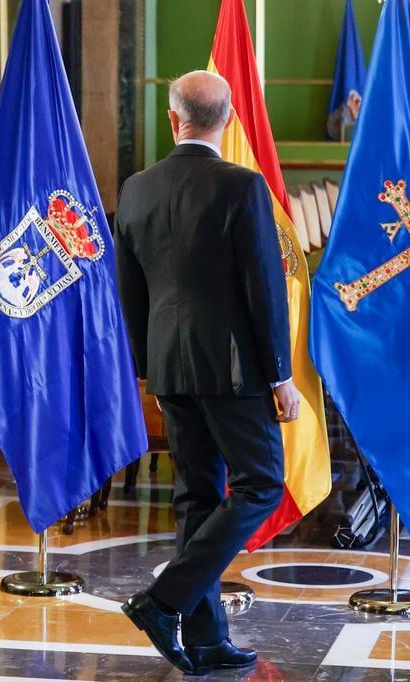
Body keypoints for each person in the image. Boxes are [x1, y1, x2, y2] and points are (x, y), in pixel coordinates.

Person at [113, 70, 301, 675]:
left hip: (169, 364)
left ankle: (208, 639)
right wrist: (281, 376)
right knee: (260, 484)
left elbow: (130, 293)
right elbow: (263, 290)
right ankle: (163, 600)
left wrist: (148, 371)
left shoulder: (136, 189)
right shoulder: (242, 187)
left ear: (173, 119)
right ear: (229, 120)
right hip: (233, 368)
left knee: (196, 496)